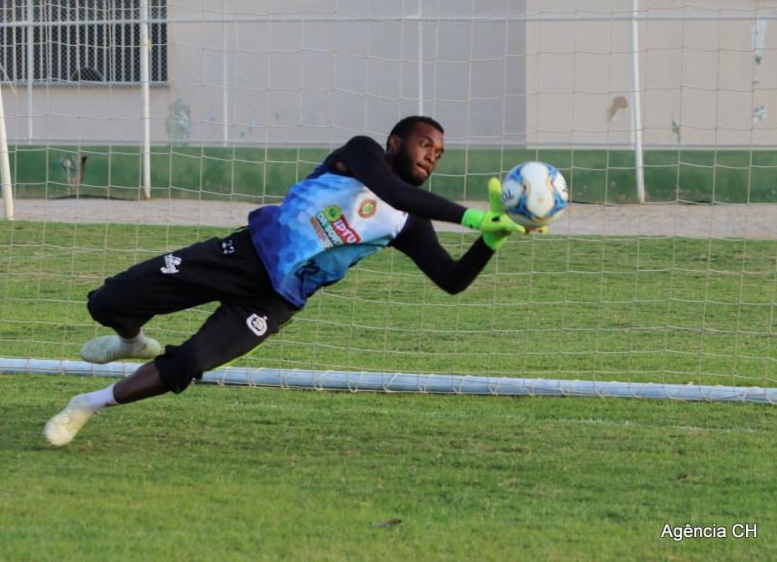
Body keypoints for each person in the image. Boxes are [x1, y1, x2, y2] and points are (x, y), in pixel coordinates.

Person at [44, 115, 527, 446]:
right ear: (396, 142)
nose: (432, 157)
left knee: (189, 362)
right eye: (426, 145)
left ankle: (87, 404)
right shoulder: (361, 153)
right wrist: (472, 217)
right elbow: (394, 191)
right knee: (108, 301)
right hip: (243, 254)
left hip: (277, 299)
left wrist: (490, 240)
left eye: (439, 154)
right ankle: (130, 340)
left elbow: (451, 279)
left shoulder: (410, 223)